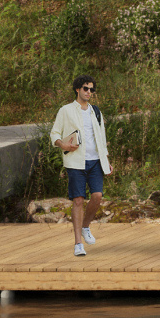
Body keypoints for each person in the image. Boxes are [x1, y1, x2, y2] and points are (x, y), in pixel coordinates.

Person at [52, 76, 109, 257]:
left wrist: (106, 159)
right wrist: (64, 145)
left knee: (97, 196)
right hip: (76, 162)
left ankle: (85, 226)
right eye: (86, 88)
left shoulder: (96, 111)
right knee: (77, 201)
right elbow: (54, 133)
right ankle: (78, 244)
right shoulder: (66, 110)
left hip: (95, 161)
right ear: (77, 89)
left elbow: (102, 137)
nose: (89, 92)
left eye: (92, 89)